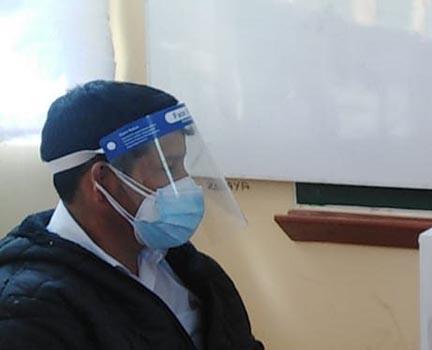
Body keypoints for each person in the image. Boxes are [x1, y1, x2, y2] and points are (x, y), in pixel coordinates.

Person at [0, 80, 263, 349]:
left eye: (182, 164)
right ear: (103, 181)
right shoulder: (28, 313)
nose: (186, 182)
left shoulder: (187, 267)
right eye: (169, 167)